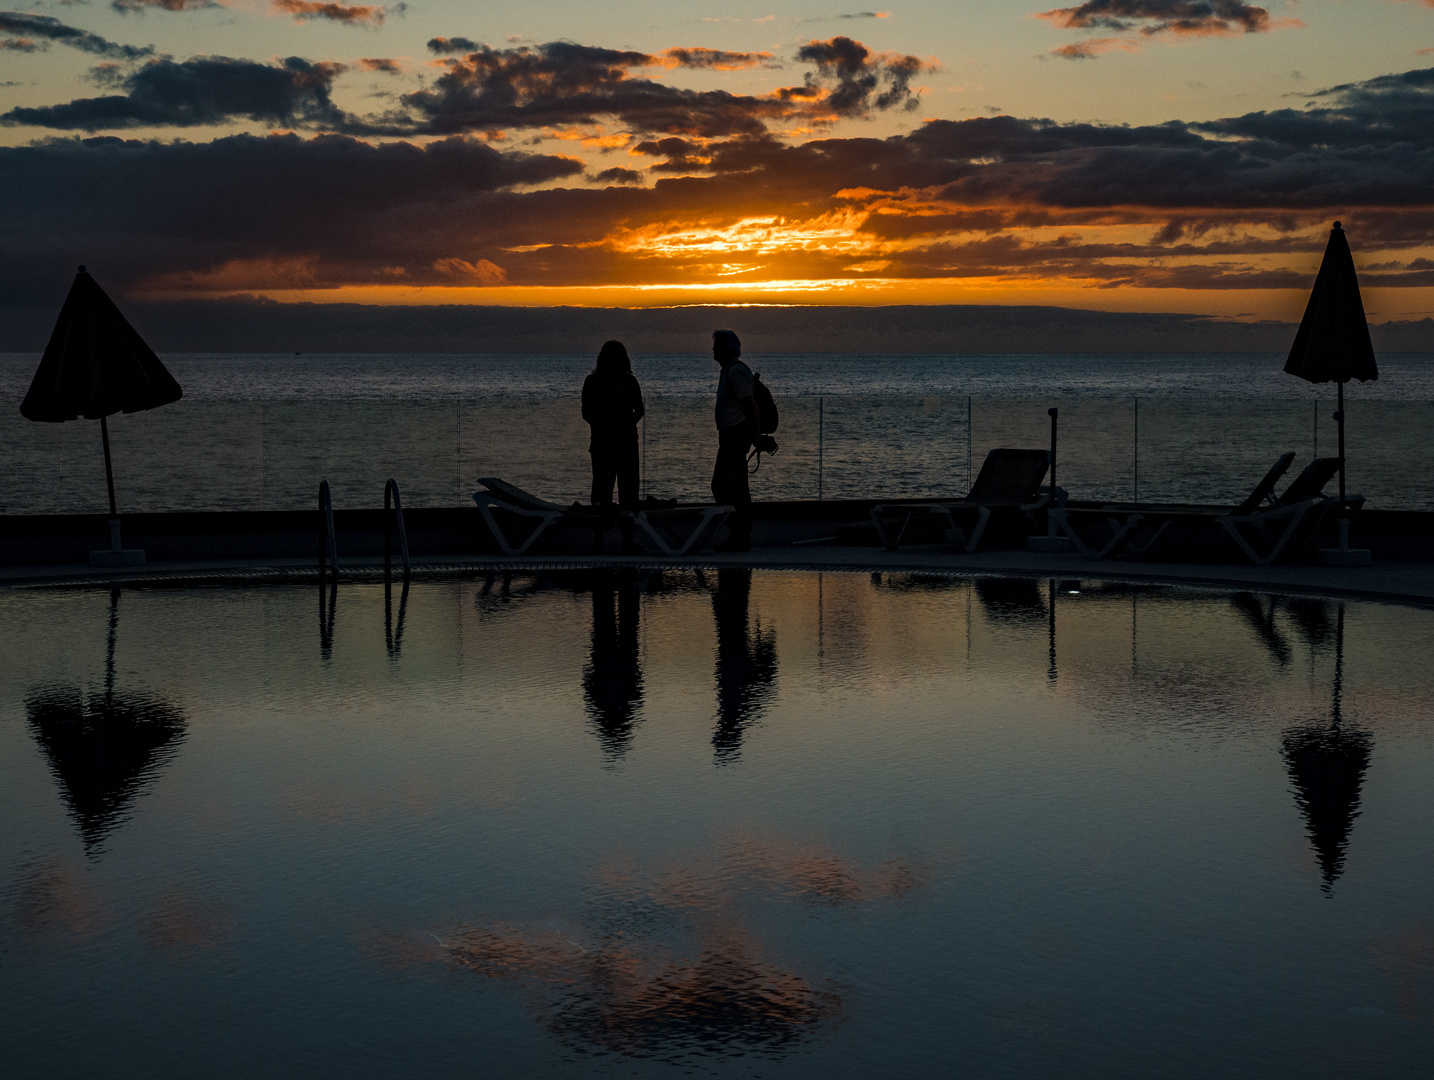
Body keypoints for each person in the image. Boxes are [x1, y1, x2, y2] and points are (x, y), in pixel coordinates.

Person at [709, 329, 776, 552]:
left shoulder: (736, 372)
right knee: (738, 487)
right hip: (732, 435)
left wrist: (755, 436)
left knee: (720, 485)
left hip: (736, 436)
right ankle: (742, 535)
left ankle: (738, 533)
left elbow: (751, 406)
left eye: (717, 345)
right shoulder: (730, 371)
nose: (713, 348)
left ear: (726, 349)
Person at [582, 340, 644, 554]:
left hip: (603, 444)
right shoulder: (629, 382)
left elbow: (586, 413)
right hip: (622, 444)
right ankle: (626, 541)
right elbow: (640, 410)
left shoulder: (592, 382)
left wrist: (602, 425)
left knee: (601, 494)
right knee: (626, 494)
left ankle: (599, 542)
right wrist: (625, 424)